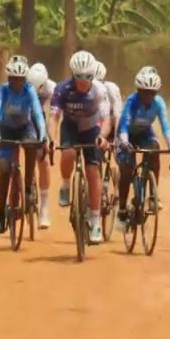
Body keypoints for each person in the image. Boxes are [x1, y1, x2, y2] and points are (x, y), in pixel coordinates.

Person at [50, 51, 111, 243]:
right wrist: (50, 138)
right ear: (72, 75)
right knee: (67, 153)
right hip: (70, 128)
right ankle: (66, 185)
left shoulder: (100, 91)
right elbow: (54, 117)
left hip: (92, 129)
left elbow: (106, 118)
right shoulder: (62, 89)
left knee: (93, 171)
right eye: (78, 77)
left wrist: (102, 136)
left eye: (87, 77)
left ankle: (95, 222)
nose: (83, 82)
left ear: (93, 76)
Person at [0, 60, 48, 234]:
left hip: (25, 127)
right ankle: (1, 212)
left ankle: (29, 186)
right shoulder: (3, 90)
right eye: (13, 79)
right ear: (9, 78)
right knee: (4, 170)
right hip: (6, 130)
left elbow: (37, 113)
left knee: (31, 145)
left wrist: (43, 134)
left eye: (20, 79)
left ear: (25, 79)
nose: (17, 83)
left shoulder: (30, 90)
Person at [115, 67, 170, 231]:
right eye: (144, 93)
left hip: (144, 134)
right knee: (127, 168)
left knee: (154, 149)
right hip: (126, 134)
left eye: (152, 93)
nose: (148, 97)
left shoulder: (159, 103)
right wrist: (125, 143)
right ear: (138, 90)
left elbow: (165, 125)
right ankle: (121, 208)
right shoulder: (131, 101)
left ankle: (153, 196)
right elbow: (124, 125)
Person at [27, 62, 57, 229]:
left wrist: (50, 138)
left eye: (40, 87)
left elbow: (54, 114)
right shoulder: (23, 84)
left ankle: (44, 208)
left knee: (43, 160)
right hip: (23, 118)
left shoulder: (52, 88)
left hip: (40, 119)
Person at [94, 60, 123, 143]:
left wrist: (116, 137)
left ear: (104, 79)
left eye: (99, 82)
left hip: (108, 122)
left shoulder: (112, 88)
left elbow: (118, 115)